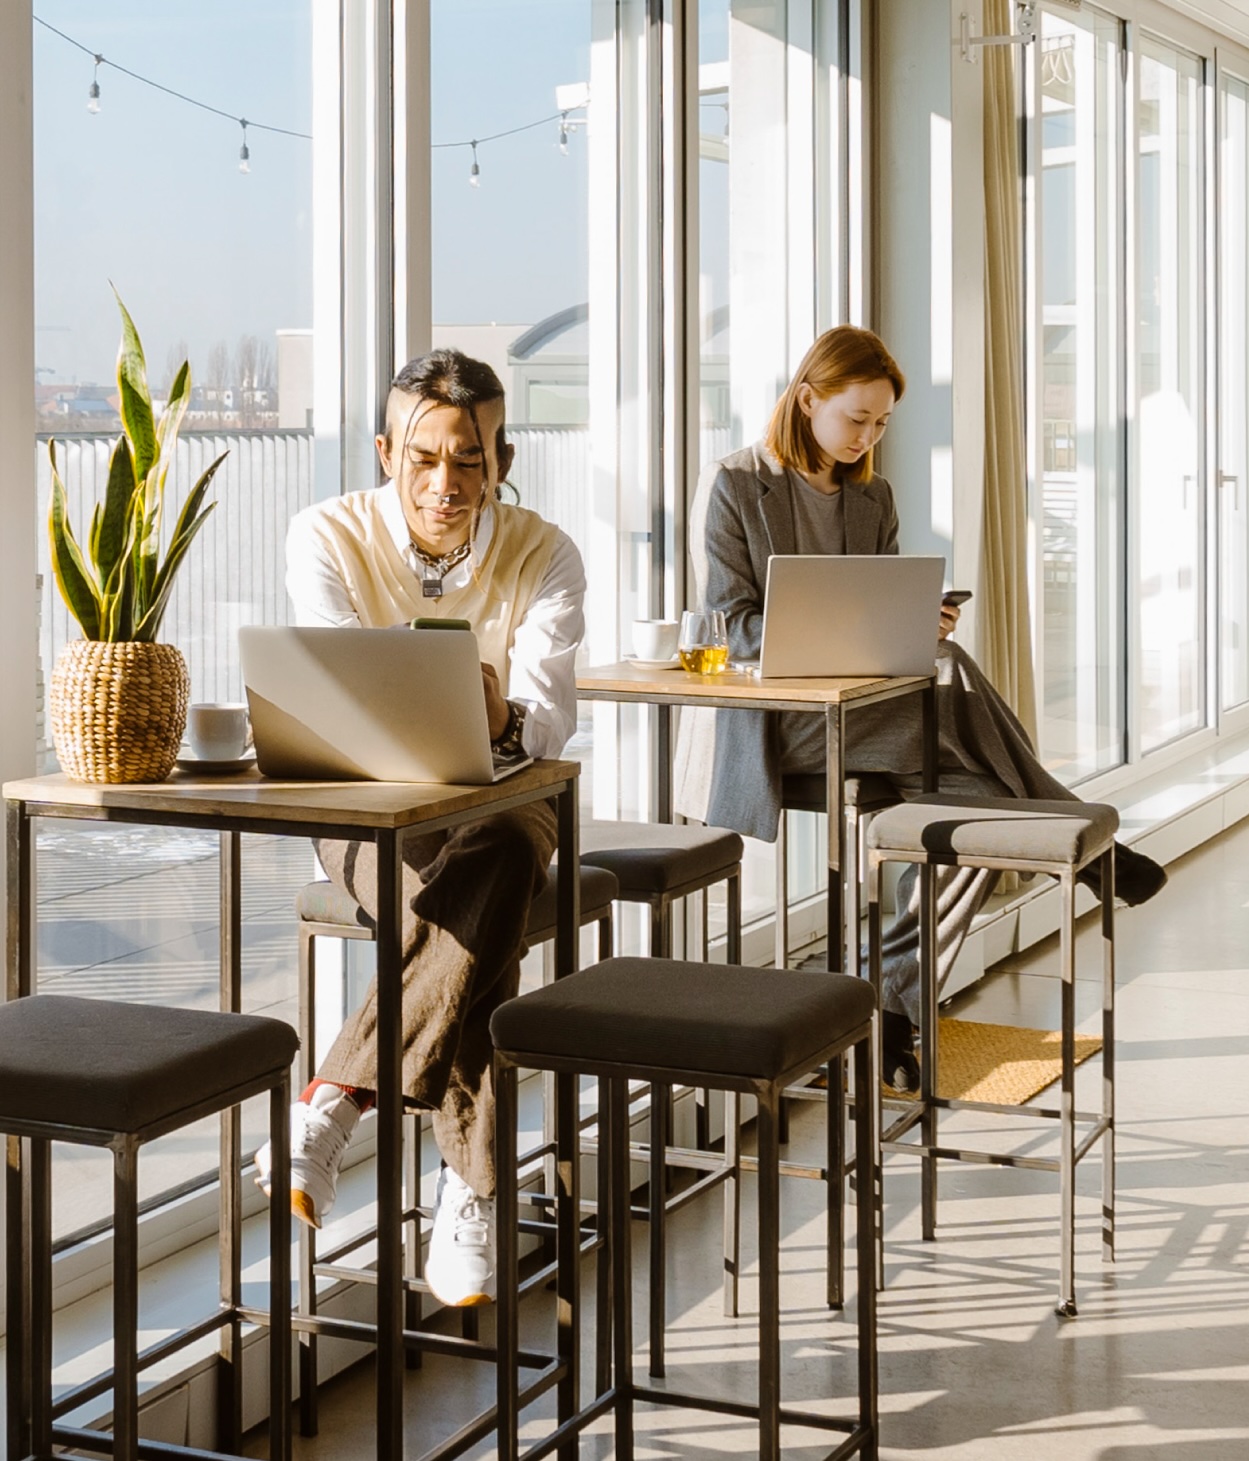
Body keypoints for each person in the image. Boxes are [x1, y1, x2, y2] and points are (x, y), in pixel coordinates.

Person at [675, 325, 1165, 1088]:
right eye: (854, 418)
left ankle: (893, 1010)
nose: (867, 436)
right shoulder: (738, 484)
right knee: (959, 679)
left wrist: (914, 620)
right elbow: (728, 623)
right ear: (807, 399)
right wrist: (812, 627)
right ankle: (1087, 842)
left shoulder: (872, 497)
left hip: (879, 717)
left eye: (880, 422)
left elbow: (879, 621)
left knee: (981, 811)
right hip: (784, 726)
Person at [254, 348, 586, 1308]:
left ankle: (338, 1094)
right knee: (469, 931)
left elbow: (549, 719)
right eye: (424, 458)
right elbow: (330, 692)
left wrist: (496, 716)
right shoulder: (324, 532)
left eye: (471, 461)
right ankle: (475, 1184)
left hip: (501, 799)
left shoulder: (547, 550)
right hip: (362, 801)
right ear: (385, 450)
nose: (446, 485)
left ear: (502, 455)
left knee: (500, 850)